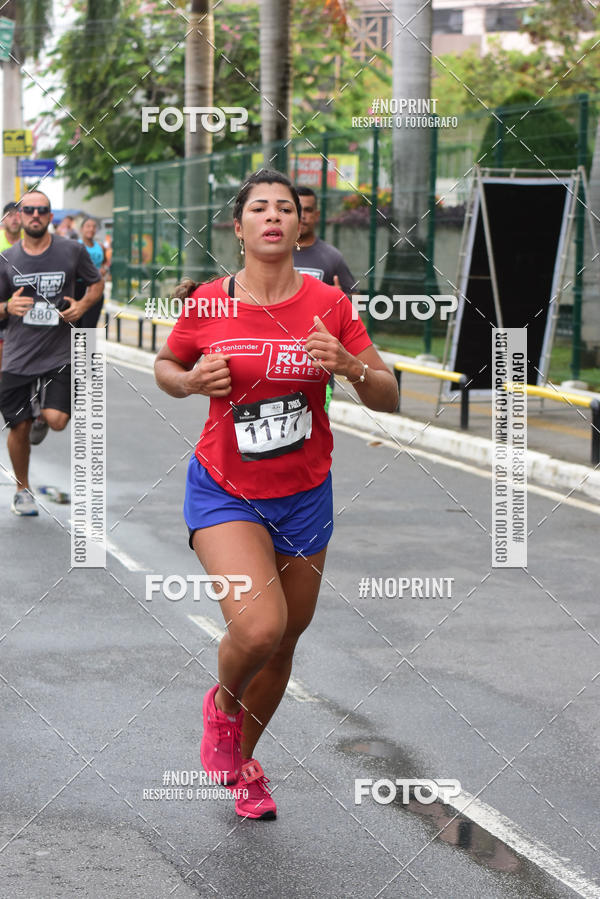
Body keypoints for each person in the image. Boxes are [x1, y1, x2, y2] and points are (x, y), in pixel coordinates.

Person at [154, 169, 398, 820]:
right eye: (257, 207)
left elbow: (388, 392)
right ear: (238, 229)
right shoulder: (208, 302)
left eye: (283, 208)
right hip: (226, 489)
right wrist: (188, 381)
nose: (271, 216)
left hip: (305, 493)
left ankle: (242, 760)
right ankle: (222, 707)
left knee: (287, 642)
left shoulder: (329, 303)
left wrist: (348, 367)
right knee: (260, 627)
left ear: (299, 226)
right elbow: (166, 364)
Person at [0, 190, 103, 516]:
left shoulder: (71, 251)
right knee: (19, 428)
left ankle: (43, 412)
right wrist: (7, 306)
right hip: (18, 355)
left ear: (49, 216)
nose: (34, 215)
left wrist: (83, 304)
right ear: (20, 215)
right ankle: (22, 489)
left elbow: (96, 283)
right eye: (28, 210)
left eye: (41, 210)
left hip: (59, 353)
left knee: (57, 421)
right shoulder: (7, 259)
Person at [293, 186, 357, 412]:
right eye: (296, 209)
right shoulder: (273, 255)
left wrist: (341, 304)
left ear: (317, 215)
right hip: (275, 363)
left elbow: (354, 303)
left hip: (318, 366)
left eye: (308, 210)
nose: (302, 216)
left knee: (315, 428)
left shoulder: (332, 258)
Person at [0, 202, 23, 372]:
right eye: (9, 214)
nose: (14, 219)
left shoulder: (29, 239)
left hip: (25, 305)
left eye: (17, 214)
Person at [76, 217, 108, 327]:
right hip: (79, 288)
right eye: (88, 226)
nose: (91, 229)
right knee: (77, 325)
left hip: (96, 288)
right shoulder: (75, 246)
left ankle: (88, 345)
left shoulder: (100, 247)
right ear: (81, 229)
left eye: (94, 227)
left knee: (89, 326)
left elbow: (104, 263)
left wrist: (103, 270)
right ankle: (75, 344)